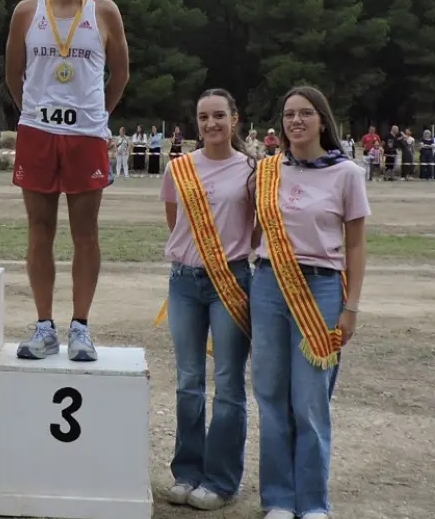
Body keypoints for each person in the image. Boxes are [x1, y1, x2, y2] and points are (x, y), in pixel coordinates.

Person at [3, 0, 129, 362]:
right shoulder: (26, 11)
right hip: (37, 133)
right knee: (39, 230)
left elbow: (121, 74)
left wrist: (97, 116)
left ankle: (80, 327)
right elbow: (13, 73)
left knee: (85, 233)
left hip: (86, 136)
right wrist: (33, 112)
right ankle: (43, 326)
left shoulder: (105, 11)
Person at [251, 85, 370, 519]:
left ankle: (313, 502)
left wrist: (351, 306)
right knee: (270, 394)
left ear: (322, 120)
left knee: (310, 399)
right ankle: (279, 499)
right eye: (288, 115)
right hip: (268, 285)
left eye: (305, 113)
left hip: (320, 289)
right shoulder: (267, 171)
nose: (296, 121)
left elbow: (355, 245)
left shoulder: (347, 173)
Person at [157, 88, 257, 511]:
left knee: (229, 383)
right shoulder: (178, 168)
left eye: (219, 115)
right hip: (184, 281)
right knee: (188, 381)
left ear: (234, 119)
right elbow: (174, 221)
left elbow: (257, 228)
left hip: (230, 280)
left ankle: (221, 480)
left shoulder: (253, 170)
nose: (211, 123)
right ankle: (187, 472)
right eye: (203, 117)